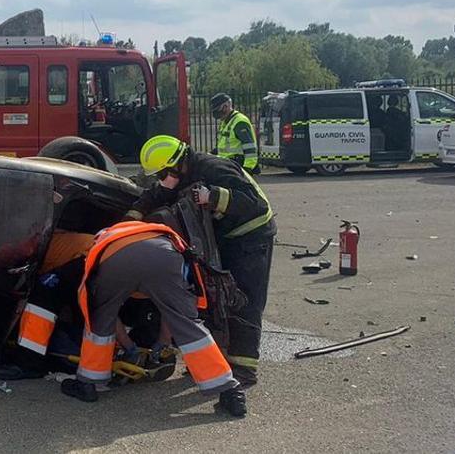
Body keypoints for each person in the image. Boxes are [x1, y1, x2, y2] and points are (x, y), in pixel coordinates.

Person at [126, 135, 275, 417]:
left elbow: (253, 203)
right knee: (219, 298)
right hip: (225, 238)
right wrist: (133, 214)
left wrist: (214, 197)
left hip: (253, 236)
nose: (161, 179)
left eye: (162, 173)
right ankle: (216, 361)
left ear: (177, 164)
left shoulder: (215, 169)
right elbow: (160, 193)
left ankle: (244, 368)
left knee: (245, 299)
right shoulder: (181, 173)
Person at [18, 222, 239, 409]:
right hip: (167, 255)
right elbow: (172, 310)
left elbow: (108, 313)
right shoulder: (160, 236)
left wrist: (128, 347)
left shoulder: (97, 243)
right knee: (187, 323)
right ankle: (229, 390)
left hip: (116, 257)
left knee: (101, 316)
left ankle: (90, 384)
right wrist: (163, 343)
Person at [210, 93, 259, 174]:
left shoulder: (240, 122)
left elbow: (250, 147)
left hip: (238, 166)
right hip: (228, 165)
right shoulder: (225, 122)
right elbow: (223, 145)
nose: (216, 114)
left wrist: (247, 169)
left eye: (218, 109)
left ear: (226, 106)